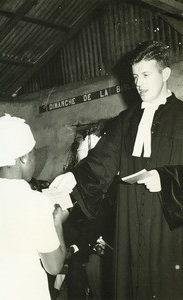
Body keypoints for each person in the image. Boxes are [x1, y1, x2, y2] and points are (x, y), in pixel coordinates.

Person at [50, 40, 183, 300]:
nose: (139, 83)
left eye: (146, 75)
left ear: (165, 74)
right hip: (130, 220)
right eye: (135, 77)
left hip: (169, 226)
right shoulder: (126, 121)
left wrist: (168, 178)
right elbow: (101, 161)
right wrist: (73, 176)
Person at [0, 114, 68, 300]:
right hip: (26, 291)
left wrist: (4, 265)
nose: (34, 158)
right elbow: (54, 266)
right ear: (24, 158)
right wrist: (58, 223)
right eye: (33, 153)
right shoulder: (36, 202)